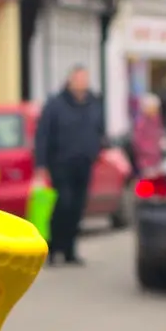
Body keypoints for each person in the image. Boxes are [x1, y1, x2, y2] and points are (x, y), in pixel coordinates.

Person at [35, 65, 106, 266]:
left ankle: (70, 250)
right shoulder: (55, 104)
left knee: (77, 207)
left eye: (85, 79)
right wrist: (40, 165)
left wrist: (97, 150)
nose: (83, 83)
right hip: (60, 164)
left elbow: (99, 130)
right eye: (79, 79)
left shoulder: (93, 103)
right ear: (70, 81)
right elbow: (43, 135)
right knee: (63, 204)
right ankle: (53, 248)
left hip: (84, 164)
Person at [131, 93, 166, 177]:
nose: (156, 110)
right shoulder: (141, 122)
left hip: (157, 158)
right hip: (146, 160)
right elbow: (137, 141)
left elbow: (159, 134)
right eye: (153, 108)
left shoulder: (157, 120)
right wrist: (149, 150)